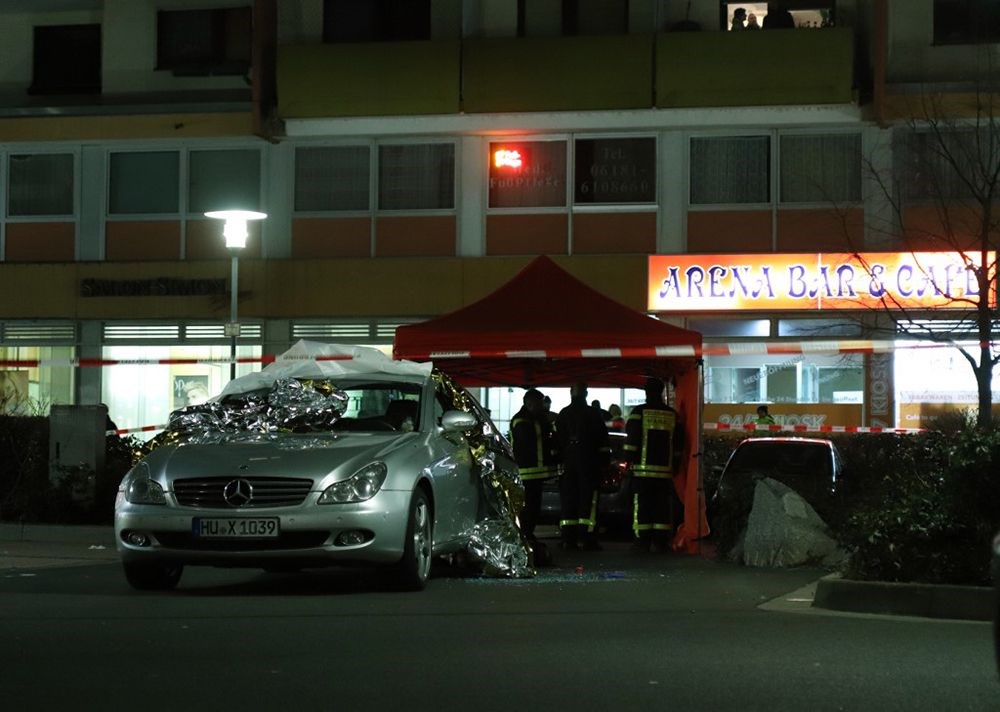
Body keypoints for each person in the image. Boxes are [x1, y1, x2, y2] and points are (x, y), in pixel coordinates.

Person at [624, 377, 684, 553]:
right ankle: (660, 542)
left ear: (646, 392)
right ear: (662, 392)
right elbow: (679, 444)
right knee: (662, 508)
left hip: (642, 473)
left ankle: (642, 542)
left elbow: (632, 442)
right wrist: (675, 464)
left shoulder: (638, 413)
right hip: (664, 473)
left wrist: (629, 460)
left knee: (642, 507)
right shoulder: (672, 415)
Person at [555, 382, 610, 551]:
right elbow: (603, 441)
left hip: (569, 461)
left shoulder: (563, 414)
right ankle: (587, 538)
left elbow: (557, 440)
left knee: (569, 499)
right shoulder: (593, 413)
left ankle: (568, 539)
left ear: (571, 393)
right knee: (588, 500)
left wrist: (561, 459)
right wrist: (604, 462)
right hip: (589, 461)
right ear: (586, 394)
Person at [510, 389, 559, 544]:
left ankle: (527, 534)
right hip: (526, 473)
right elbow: (531, 444)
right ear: (529, 404)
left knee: (533, 507)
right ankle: (525, 535)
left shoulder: (535, 419)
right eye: (539, 403)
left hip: (535, 473)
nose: (542, 406)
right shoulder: (522, 421)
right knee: (528, 508)